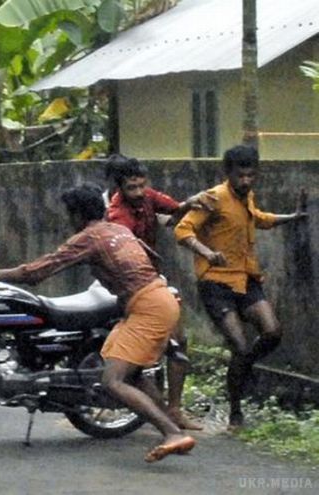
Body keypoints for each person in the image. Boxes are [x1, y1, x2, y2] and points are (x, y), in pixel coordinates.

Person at [0, 183, 196, 463]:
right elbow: (154, 260)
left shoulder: (89, 237)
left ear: (77, 214)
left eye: (69, 214)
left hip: (146, 307)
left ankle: (172, 433)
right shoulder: (119, 229)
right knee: (134, 374)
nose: (69, 220)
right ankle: (169, 422)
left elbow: (35, 272)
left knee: (112, 381)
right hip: (156, 298)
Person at [174, 144, 307, 430]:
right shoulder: (213, 198)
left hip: (246, 279)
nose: (245, 181)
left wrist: (290, 217)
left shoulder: (246, 197)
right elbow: (182, 230)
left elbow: (257, 217)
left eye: (250, 176)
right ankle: (236, 410)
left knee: (272, 332)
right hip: (216, 283)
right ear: (228, 173)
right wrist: (207, 253)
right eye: (240, 176)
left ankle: (243, 368)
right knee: (239, 345)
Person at [105, 154, 215, 430]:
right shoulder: (118, 217)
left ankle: (172, 410)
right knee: (166, 347)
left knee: (178, 344)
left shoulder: (147, 198)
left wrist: (193, 201)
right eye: (132, 188)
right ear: (119, 187)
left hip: (152, 281)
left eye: (142, 185)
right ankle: (167, 416)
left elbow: (175, 210)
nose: (140, 192)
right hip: (135, 287)